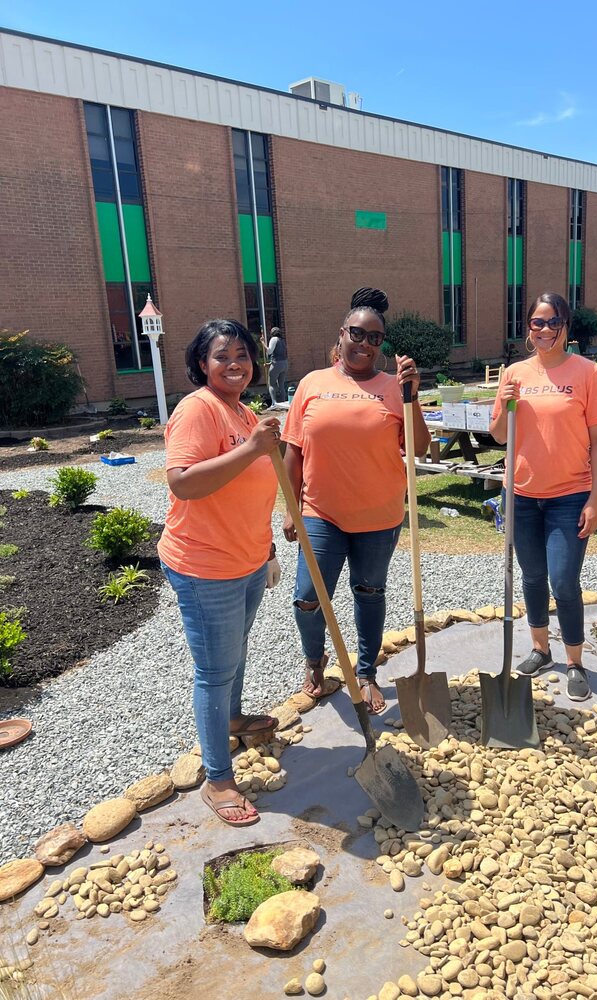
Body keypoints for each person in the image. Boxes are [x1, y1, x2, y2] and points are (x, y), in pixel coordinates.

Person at [281, 287, 430, 713]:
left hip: (378, 517)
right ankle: (315, 662)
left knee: (369, 592)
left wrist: (412, 395)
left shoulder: (394, 388)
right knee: (307, 598)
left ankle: (366, 673)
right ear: (342, 334)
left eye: (375, 338)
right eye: (358, 334)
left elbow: (418, 448)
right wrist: (291, 509)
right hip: (320, 514)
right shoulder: (312, 384)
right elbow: (293, 451)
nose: (365, 344)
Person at [158, 318, 283, 827]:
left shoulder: (240, 409)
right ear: (201, 365)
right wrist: (252, 448)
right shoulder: (197, 410)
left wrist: (268, 545)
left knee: (236, 651)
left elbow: (250, 488)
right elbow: (183, 483)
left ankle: (231, 720)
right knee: (214, 670)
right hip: (206, 565)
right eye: (221, 356)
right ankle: (218, 778)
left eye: (242, 355)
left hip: (247, 558)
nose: (235, 363)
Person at [490, 292, 597, 701]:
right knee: (530, 576)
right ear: (528, 327)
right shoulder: (514, 373)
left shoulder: (588, 374)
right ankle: (541, 649)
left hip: (569, 495)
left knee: (563, 580)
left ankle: (575, 662)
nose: (544, 330)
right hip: (521, 494)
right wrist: (503, 406)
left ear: (566, 327)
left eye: (553, 322)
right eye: (537, 322)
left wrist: (596, 498)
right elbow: (498, 435)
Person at [267, 326, 288, 407]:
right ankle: (283, 403)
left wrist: (263, 343)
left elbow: (269, 351)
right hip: (285, 363)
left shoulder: (273, 339)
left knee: (271, 384)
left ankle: (274, 403)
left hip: (277, 364)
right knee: (281, 384)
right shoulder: (282, 340)